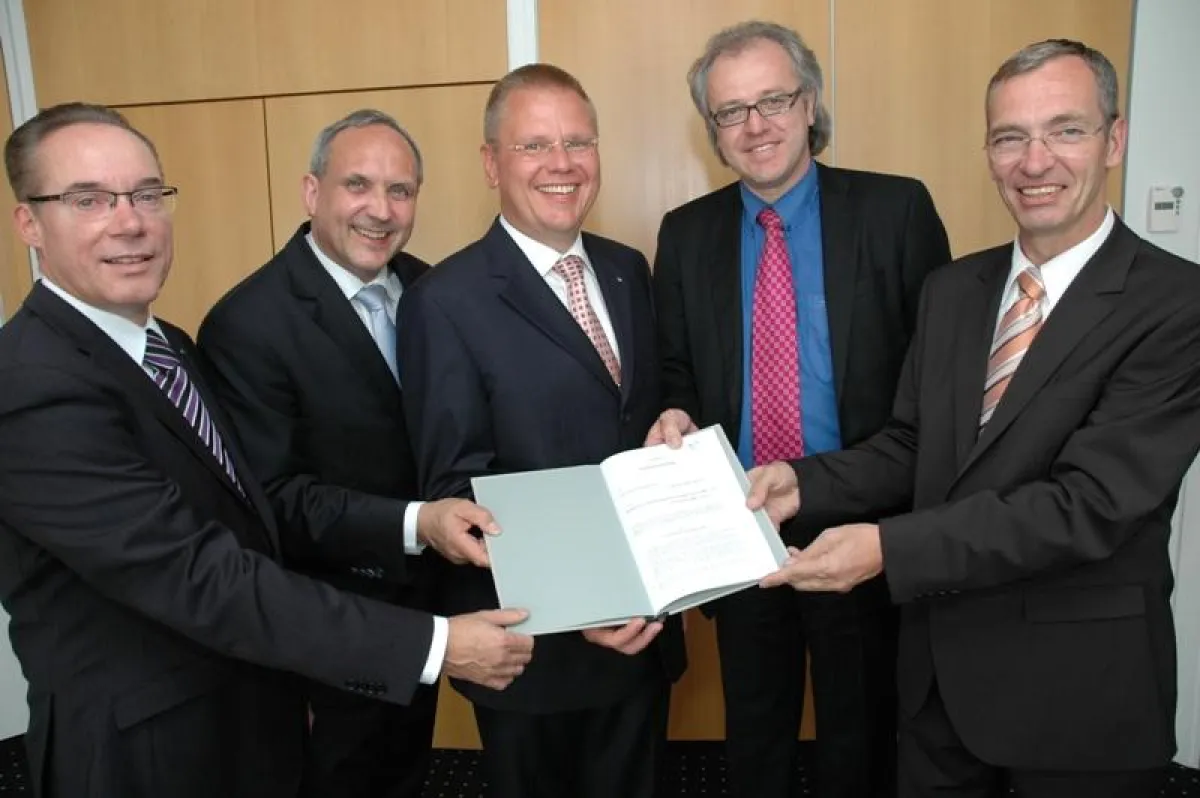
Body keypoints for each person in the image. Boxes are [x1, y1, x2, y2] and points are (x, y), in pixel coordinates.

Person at [0, 102, 534, 798]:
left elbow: (242, 518)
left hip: (248, 708)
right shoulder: (28, 385)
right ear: (29, 223)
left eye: (147, 194)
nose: (129, 222)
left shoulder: (166, 347)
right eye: (89, 199)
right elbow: (197, 572)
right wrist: (432, 644)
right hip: (149, 750)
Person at [744, 39, 1200, 798]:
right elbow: (913, 445)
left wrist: (888, 548)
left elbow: (1088, 505)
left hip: (1080, 696)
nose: (1034, 161)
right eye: (1009, 137)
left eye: (1065, 130)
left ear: (1114, 140)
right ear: (988, 153)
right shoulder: (953, 290)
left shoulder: (1177, 305)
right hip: (938, 686)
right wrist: (802, 483)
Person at [646, 20, 950, 798]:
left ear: (809, 103)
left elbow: (937, 378)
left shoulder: (896, 211)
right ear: (713, 130)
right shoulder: (685, 235)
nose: (756, 125)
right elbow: (677, 370)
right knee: (755, 724)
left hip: (862, 518)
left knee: (863, 727)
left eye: (773, 100)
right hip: (740, 521)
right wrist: (674, 411)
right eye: (731, 111)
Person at [397, 64, 687, 798]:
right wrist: (584, 598)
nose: (563, 163)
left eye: (578, 142)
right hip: (534, 655)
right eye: (534, 146)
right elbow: (457, 488)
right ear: (491, 163)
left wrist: (674, 418)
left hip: (644, 634)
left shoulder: (627, 269)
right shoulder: (444, 301)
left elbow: (637, 413)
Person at [197, 109, 482, 798]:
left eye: (400, 190)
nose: (380, 210)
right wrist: (418, 523)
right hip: (333, 622)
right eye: (358, 185)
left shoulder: (433, 289)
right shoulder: (248, 322)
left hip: (430, 606)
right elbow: (273, 498)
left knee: (406, 773)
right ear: (311, 191)